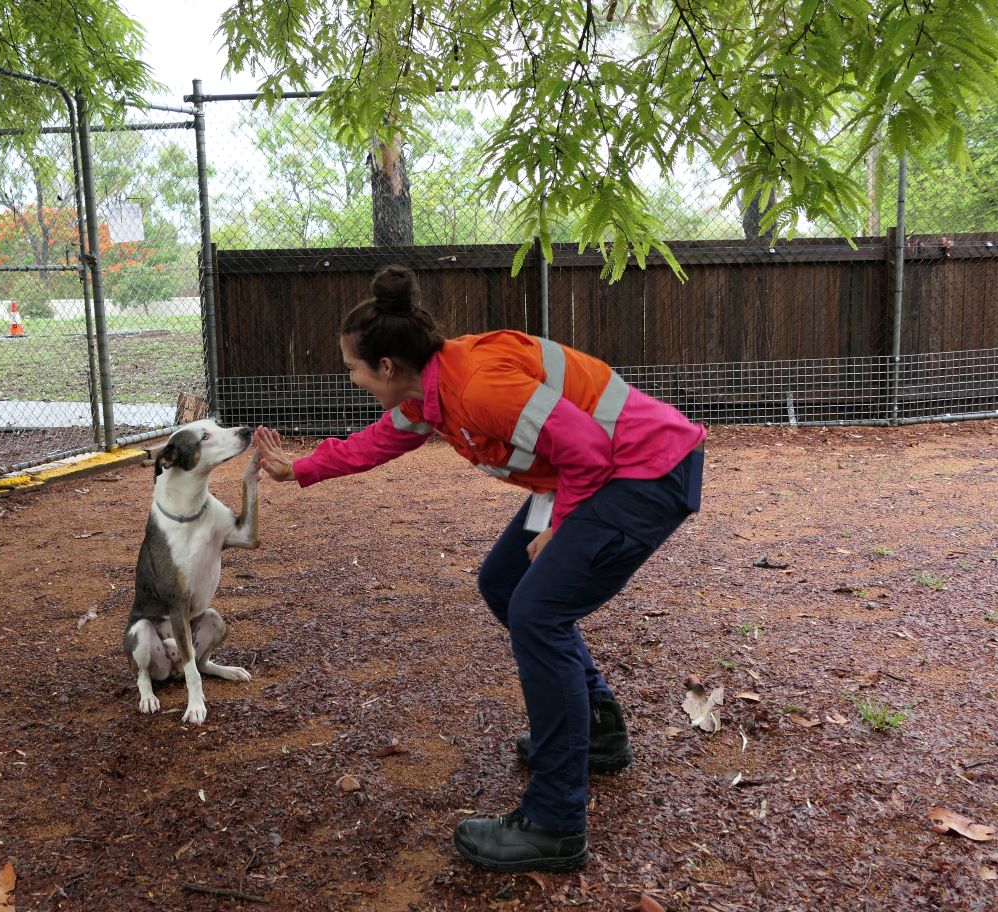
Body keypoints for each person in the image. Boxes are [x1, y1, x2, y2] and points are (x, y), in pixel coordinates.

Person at [253, 264, 705, 874]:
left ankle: (554, 823)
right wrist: (301, 468)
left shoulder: (480, 389)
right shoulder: (430, 393)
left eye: (353, 369)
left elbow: (588, 449)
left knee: (538, 612)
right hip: (601, 473)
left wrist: (562, 524)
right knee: (505, 583)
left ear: (387, 366)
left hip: (641, 471)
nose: (353, 379)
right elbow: (379, 441)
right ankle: (594, 729)